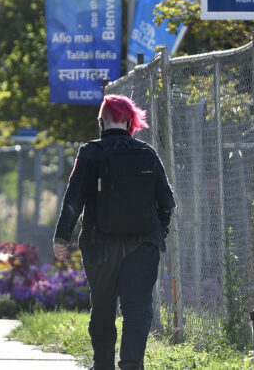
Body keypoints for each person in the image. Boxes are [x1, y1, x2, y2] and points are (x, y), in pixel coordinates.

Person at [52, 94, 175, 370]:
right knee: (138, 310)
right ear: (130, 121)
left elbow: (74, 199)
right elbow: (167, 200)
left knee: (103, 308)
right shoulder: (147, 153)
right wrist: (158, 232)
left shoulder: (90, 153)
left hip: (100, 245)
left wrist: (62, 238)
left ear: (101, 122)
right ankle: (131, 364)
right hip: (143, 246)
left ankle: (103, 365)